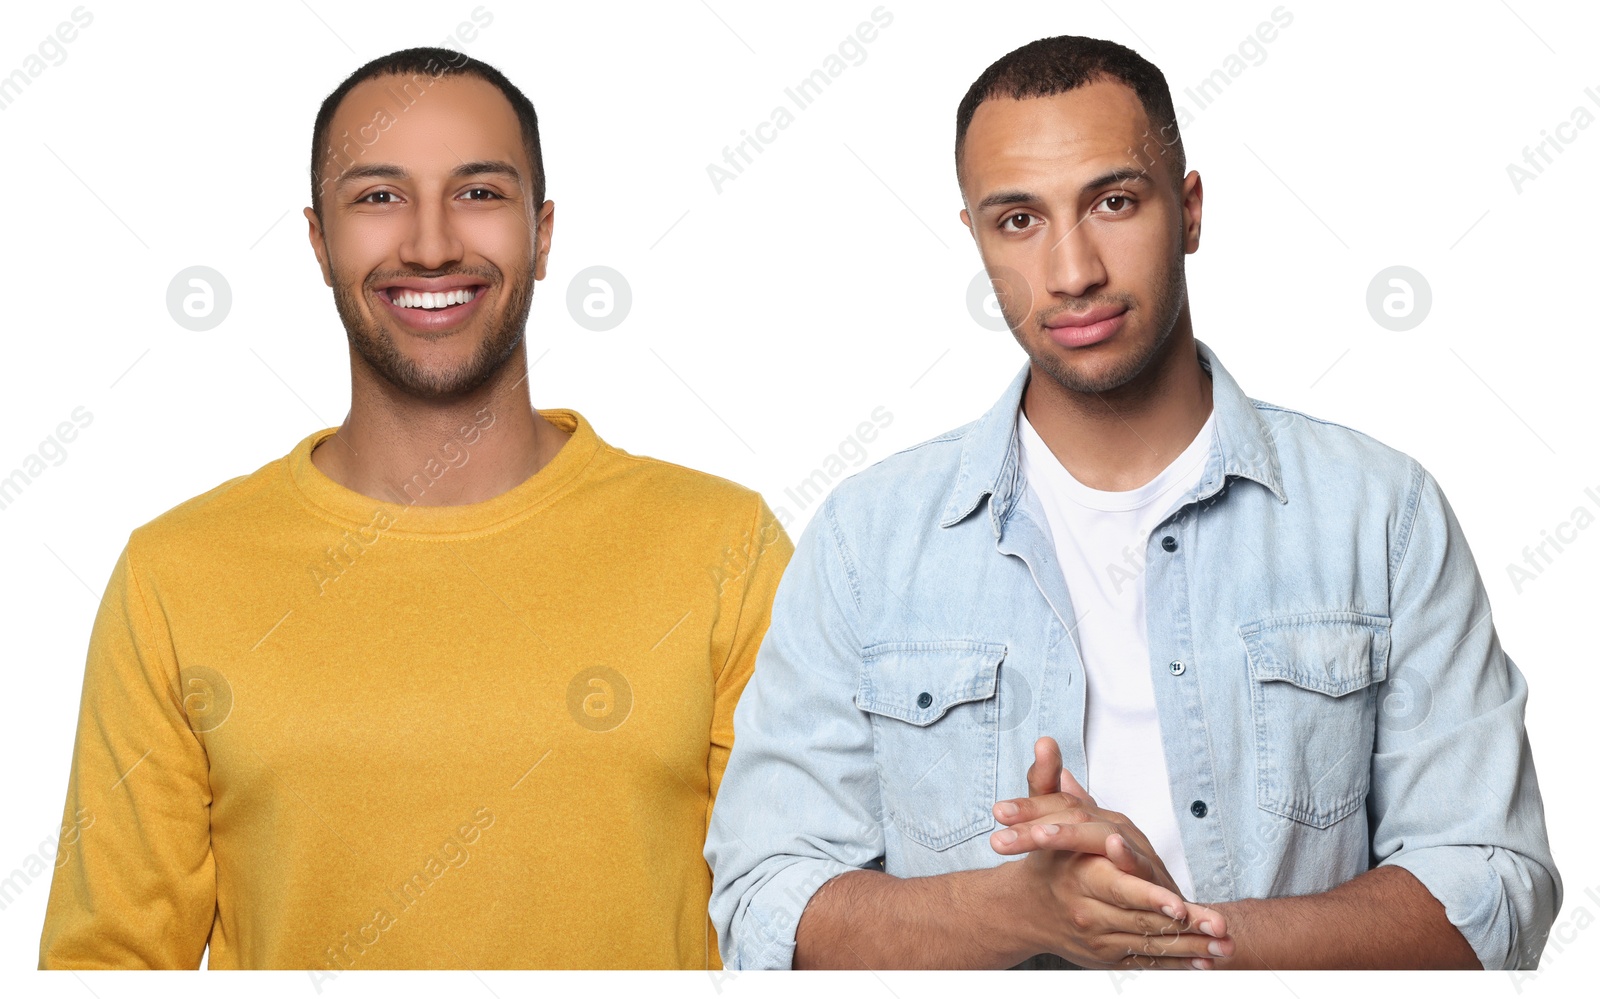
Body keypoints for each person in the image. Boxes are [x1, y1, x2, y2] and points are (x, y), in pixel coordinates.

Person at [705, 35, 1559, 971]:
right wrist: (1026, 912)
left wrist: (1178, 938)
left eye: (1114, 202)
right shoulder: (866, 540)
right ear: (976, 239)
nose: (1072, 272)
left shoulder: (1381, 515)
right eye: (1019, 220)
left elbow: (1492, 887)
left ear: (1188, 211)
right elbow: (762, 902)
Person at [39, 47, 789, 972]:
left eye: (478, 193)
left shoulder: (724, 546)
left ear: (543, 234)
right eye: (379, 197)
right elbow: (108, 965)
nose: (431, 245)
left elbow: (798, 920)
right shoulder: (174, 575)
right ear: (318, 244)